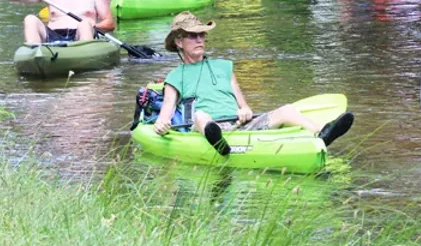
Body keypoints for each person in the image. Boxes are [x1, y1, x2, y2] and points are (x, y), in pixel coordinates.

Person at [151, 12, 354, 153]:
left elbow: (244, 105)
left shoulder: (224, 66)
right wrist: (161, 124)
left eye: (202, 35)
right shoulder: (175, 77)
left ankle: (322, 134)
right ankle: (219, 145)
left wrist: (245, 111)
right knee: (201, 115)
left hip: (238, 126)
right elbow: (167, 110)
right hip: (204, 130)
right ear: (179, 42)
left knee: (287, 110)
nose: (199, 40)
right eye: (192, 36)